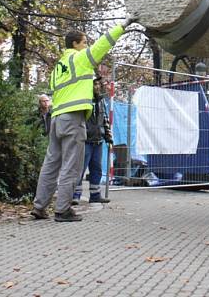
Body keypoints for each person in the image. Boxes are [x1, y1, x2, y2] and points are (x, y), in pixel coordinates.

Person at [31, 19, 135, 222]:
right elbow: (102, 44)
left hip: (57, 119)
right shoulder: (79, 59)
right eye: (84, 42)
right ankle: (62, 210)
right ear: (75, 44)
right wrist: (124, 25)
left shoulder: (59, 67)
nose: (87, 45)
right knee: (72, 165)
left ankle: (39, 207)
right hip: (73, 118)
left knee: (51, 164)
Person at [72, 74, 113, 204]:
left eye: (97, 84)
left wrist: (108, 138)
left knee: (97, 169)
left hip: (98, 141)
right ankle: (75, 196)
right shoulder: (83, 101)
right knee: (80, 169)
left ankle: (95, 196)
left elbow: (105, 120)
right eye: (94, 84)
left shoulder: (101, 101)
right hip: (85, 141)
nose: (97, 87)